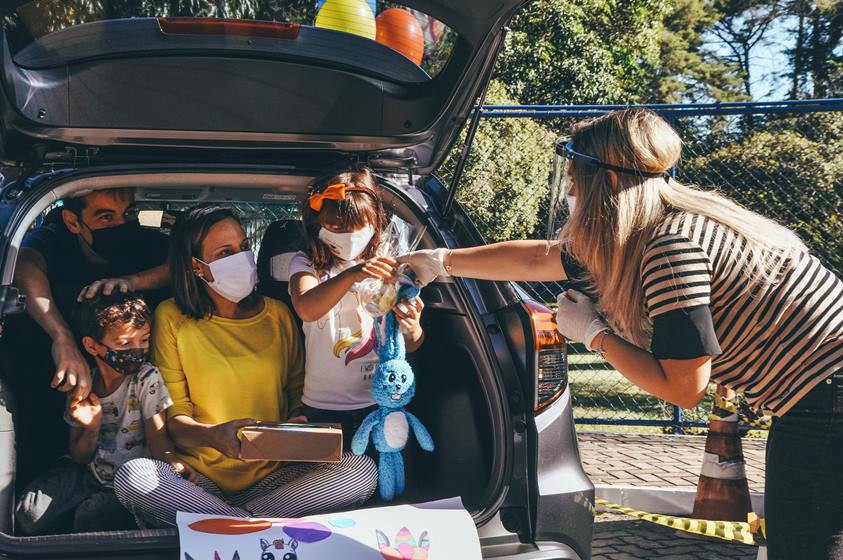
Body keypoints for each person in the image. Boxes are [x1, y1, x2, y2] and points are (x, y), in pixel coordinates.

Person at [399, 109, 843, 559]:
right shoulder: (644, 233)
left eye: (575, 179)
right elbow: (541, 259)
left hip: (827, 396)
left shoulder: (669, 249)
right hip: (822, 392)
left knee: (802, 547)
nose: (570, 190)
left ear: (607, 182)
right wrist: (443, 261)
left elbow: (684, 388)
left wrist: (594, 334)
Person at [113, 205, 378, 528]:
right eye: (225, 253)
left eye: (243, 247)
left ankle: (230, 526)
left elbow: (297, 391)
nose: (242, 258)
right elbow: (174, 419)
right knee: (133, 476)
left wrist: (296, 425)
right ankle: (254, 527)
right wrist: (213, 436)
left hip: (276, 479)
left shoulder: (279, 314)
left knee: (362, 470)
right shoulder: (171, 317)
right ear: (197, 267)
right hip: (199, 481)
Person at [5, 188, 170, 484]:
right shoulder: (53, 241)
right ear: (72, 221)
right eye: (106, 217)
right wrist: (62, 337)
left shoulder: (145, 241)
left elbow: (181, 267)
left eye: (128, 213)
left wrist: (132, 281)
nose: (121, 224)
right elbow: (25, 266)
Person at [14, 292, 192, 534]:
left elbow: (158, 437)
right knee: (28, 515)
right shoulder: (83, 384)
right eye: (125, 344)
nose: (137, 350)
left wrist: (172, 463)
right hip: (90, 476)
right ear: (92, 346)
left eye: (144, 340)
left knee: (92, 517)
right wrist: (91, 427)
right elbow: (79, 455)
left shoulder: (146, 378)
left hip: (129, 484)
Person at [288, 166, 425, 446]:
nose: (348, 236)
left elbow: (409, 345)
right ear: (319, 226)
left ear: (375, 224)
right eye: (337, 228)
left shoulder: (392, 268)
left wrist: (414, 328)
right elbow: (307, 309)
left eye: (358, 228)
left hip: (381, 400)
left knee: (380, 476)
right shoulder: (307, 264)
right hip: (323, 405)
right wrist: (355, 273)